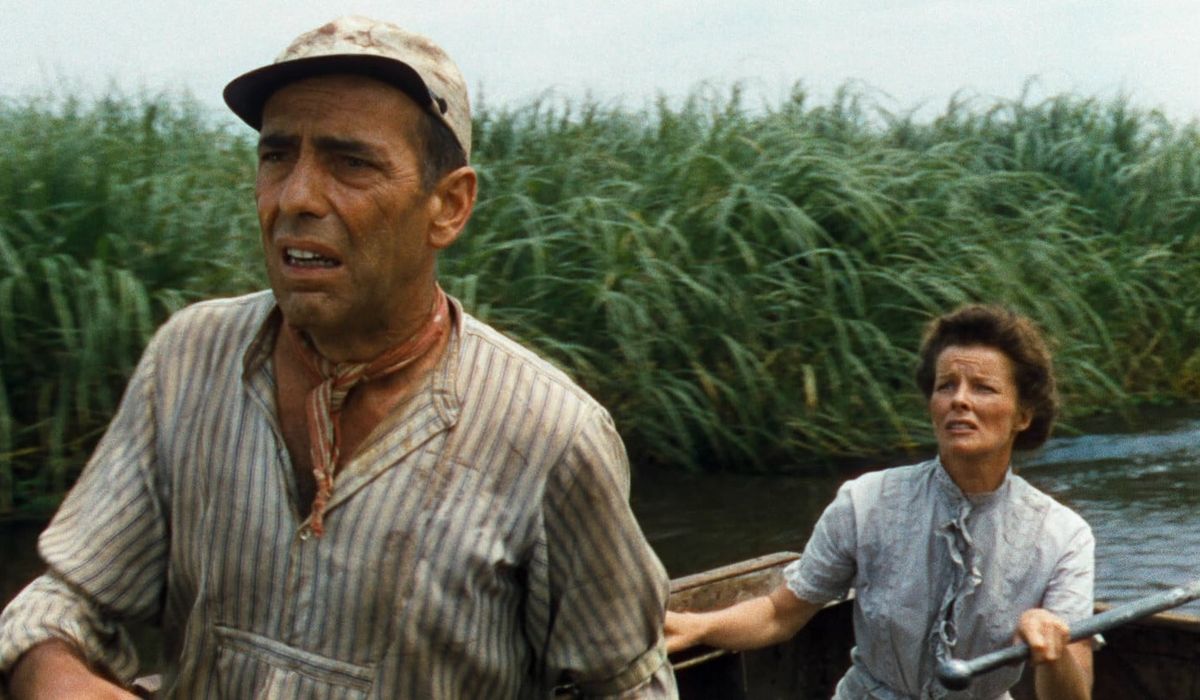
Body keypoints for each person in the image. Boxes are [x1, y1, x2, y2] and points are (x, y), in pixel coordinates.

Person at [0, 16, 676, 699]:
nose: (295, 197)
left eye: (351, 164)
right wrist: (52, 672)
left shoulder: (552, 436)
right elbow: (65, 601)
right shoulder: (191, 359)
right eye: (276, 156)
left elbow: (630, 689)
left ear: (449, 206)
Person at [666, 305, 1094, 699]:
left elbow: (1072, 699)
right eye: (946, 385)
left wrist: (1053, 650)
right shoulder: (865, 501)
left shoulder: (1063, 536)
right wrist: (700, 626)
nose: (959, 400)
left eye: (983, 388)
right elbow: (780, 614)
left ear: (1023, 415)